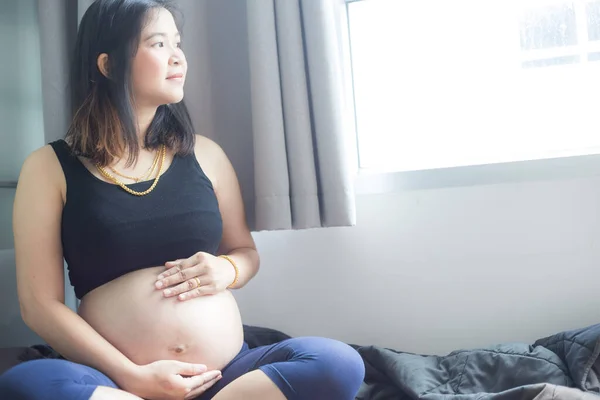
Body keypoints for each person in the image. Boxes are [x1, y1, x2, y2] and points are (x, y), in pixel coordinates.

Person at [0, 0, 365, 399]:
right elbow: (39, 305)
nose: (179, 57)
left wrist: (227, 270)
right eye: (158, 44)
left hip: (222, 377)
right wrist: (133, 376)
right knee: (25, 384)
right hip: (117, 381)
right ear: (108, 65)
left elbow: (244, 252)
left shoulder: (206, 155)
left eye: (178, 42)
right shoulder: (48, 167)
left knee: (338, 362)